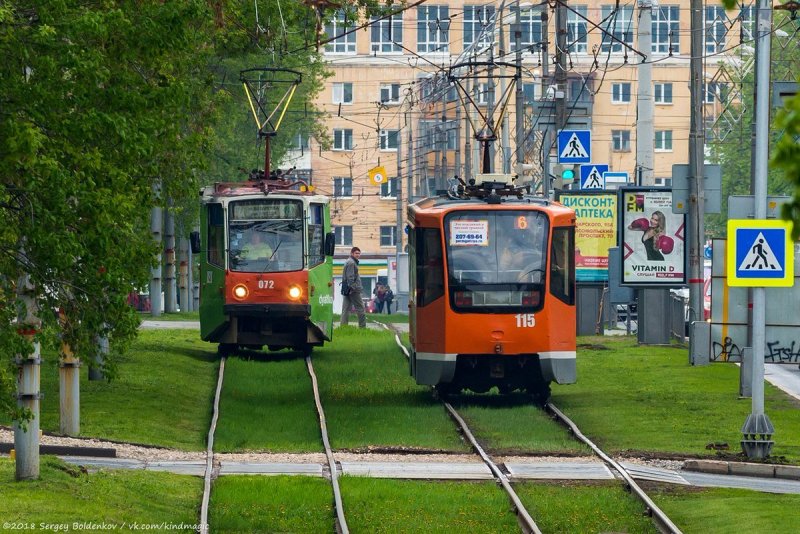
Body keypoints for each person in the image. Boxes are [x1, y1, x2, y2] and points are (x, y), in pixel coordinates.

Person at [340, 246, 366, 328]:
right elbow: (350, 277)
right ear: (352, 253)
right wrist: (353, 288)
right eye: (356, 253)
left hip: (347, 289)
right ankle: (362, 328)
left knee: (346, 309)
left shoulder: (348, 261)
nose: (358, 255)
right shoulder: (351, 263)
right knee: (360, 308)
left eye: (359, 253)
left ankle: (343, 327)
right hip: (353, 290)